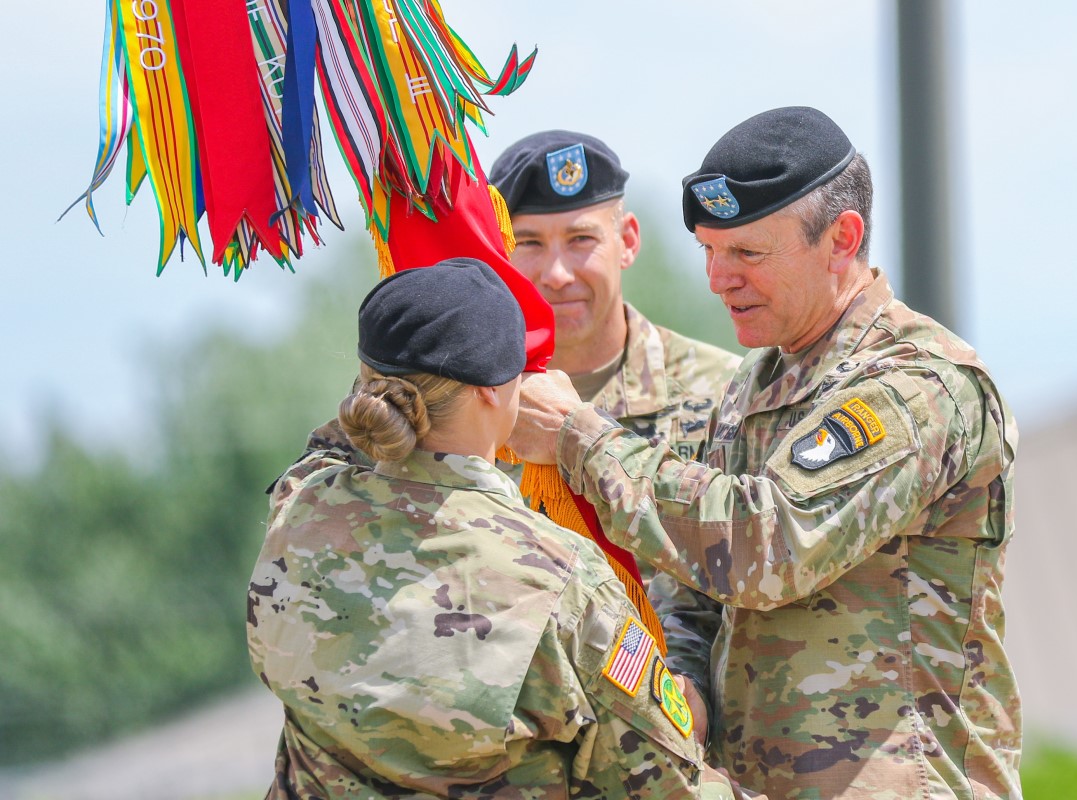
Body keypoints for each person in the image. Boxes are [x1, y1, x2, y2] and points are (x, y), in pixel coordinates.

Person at [509, 107, 1021, 799]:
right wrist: (683, 682)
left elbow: (768, 544)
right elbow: (697, 589)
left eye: (747, 254)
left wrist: (579, 437)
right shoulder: (756, 384)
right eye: (710, 251)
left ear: (841, 240)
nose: (718, 279)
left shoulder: (917, 383)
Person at [245, 258, 765, 799]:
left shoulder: (301, 505)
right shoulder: (555, 577)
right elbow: (667, 783)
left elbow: (331, 448)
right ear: (493, 390)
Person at [489, 129, 741, 466]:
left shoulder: (727, 393)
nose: (557, 275)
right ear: (499, 252)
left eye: (581, 239)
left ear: (628, 241)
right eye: (530, 243)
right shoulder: (466, 403)